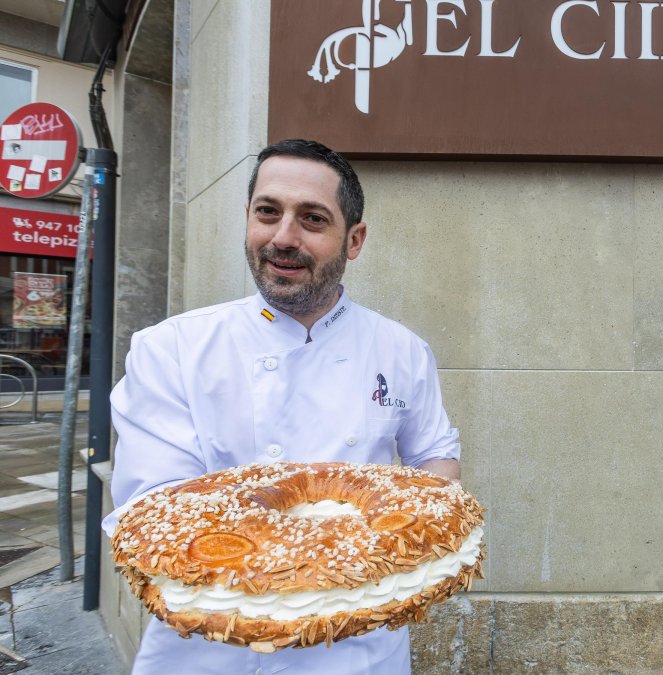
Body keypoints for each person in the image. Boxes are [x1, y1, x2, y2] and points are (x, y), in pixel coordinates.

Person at [101, 138, 462, 674]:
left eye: (312, 219)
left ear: (354, 239)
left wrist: (418, 534)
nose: (283, 238)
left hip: (357, 647)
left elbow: (434, 455)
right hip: (207, 647)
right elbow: (162, 515)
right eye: (268, 213)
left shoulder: (402, 349)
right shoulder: (172, 349)